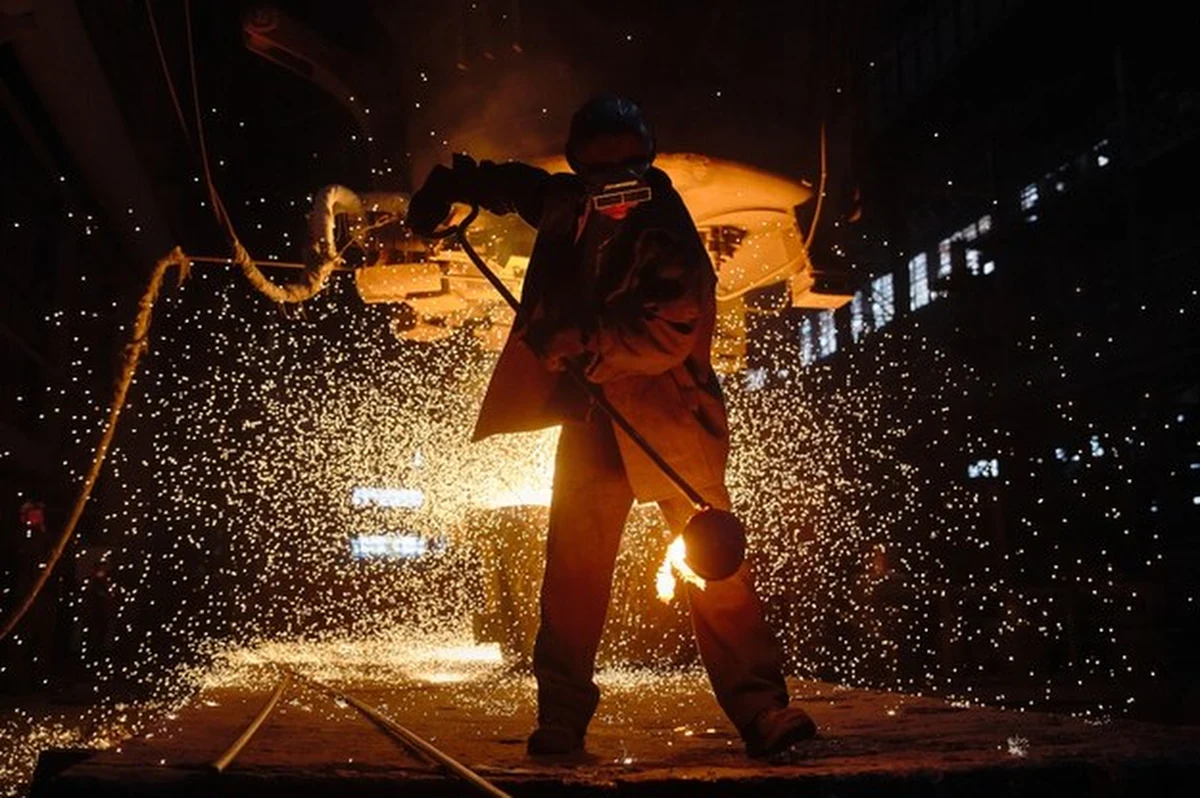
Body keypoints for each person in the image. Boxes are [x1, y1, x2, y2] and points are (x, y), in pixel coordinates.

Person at [407, 95, 816, 758]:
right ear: (581, 171)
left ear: (647, 165)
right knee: (572, 573)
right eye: (600, 173)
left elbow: (670, 330)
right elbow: (523, 189)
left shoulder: (668, 233)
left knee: (712, 564)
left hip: (667, 414)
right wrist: (458, 185)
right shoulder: (572, 205)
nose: (616, 186)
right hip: (595, 420)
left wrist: (582, 341)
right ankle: (562, 719)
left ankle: (764, 711)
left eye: (627, 169)